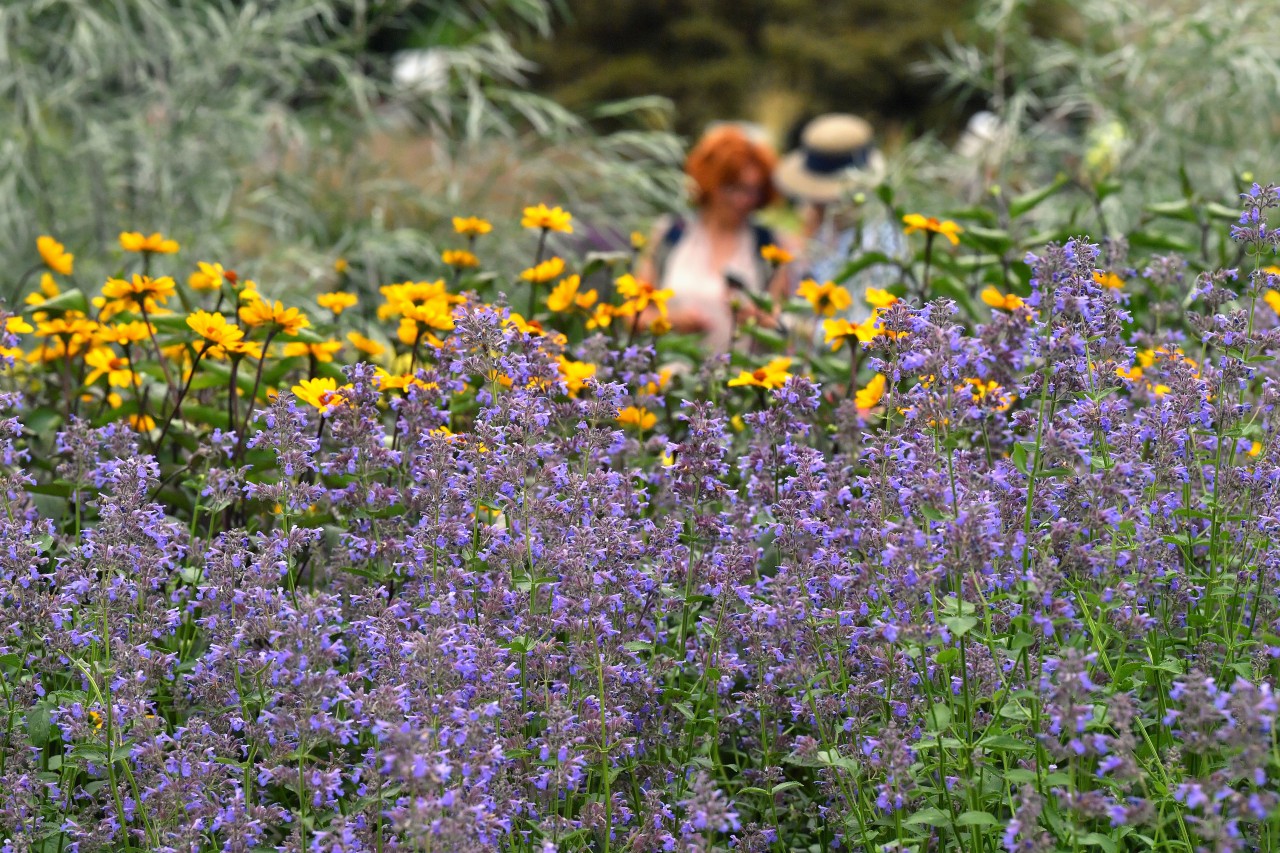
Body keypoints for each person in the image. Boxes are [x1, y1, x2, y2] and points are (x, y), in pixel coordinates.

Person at [637, 124, 791, 353]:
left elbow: (780, 328)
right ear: (709, 182)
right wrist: (674, 322)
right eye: (732, 188)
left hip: (739, 382)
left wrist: (756, 319)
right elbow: (634, 314)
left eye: (752, 190)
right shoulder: (671, 234)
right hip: (670, 379)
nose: (743, 200)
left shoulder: (769, 245)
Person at [775, 113, 905, 329]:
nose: (813, 201)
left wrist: (788, 325)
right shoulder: (821, 228)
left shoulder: (881, 242)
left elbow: (869, 325)